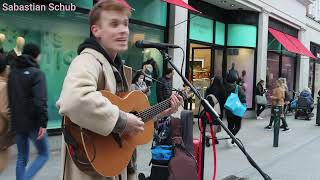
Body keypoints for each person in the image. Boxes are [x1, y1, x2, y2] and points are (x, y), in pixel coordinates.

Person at [56, 1, 182, 180]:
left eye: (125, 24)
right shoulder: (88, 60)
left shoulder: (117, 67)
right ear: (96, 30)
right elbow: (74, 99)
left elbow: (133, 118)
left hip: (115, 163)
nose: (123, 30)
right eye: (114, 24)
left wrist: (163, 112)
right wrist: (122, 121)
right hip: (91, 169)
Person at [8, 43, 49, 180]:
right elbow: (40, 100)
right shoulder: (37, 73)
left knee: (21, 157)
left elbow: (10, 100)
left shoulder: (12, 73)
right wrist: (43, 123)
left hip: (17, 123)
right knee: (44, 154)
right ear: (36, 56)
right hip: (34, 123)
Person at [224, 73, 246, 146]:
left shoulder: (225, 87)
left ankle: (232, 141)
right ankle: (230, 138)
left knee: (230, 125)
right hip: (237, 109)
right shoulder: (238, 88)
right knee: (237, 126)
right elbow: (243, 98)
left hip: (228, 109)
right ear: (235, 80)